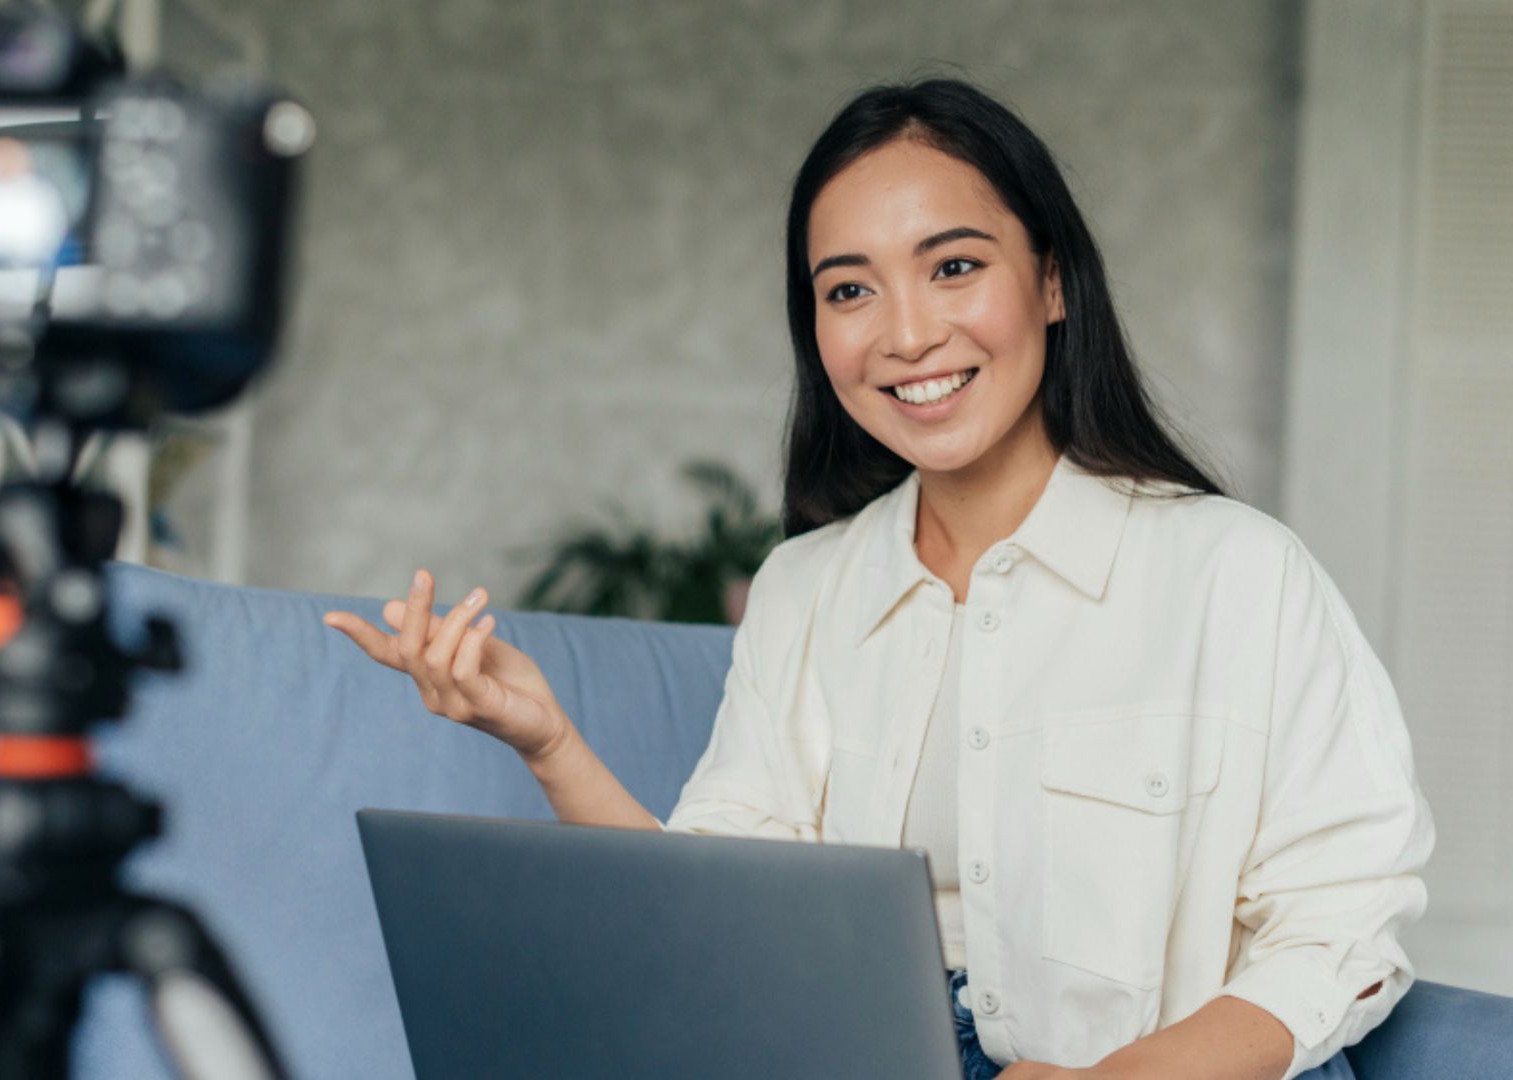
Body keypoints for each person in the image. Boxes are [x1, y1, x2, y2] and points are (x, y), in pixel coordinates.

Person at [321, 78, 1433, 1080]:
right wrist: (549, 743)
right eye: (849, 291)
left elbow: (1345, 920)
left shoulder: (1235, 572)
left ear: (1050, 280)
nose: (906, 333)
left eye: (954, 267)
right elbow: (713, 930)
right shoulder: (806, 591)